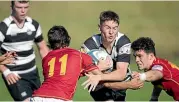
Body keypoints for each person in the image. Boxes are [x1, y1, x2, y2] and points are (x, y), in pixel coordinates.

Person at [27, 25, 103, 101]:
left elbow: (62, 75)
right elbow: (100, 76)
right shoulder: (79, 55)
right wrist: (99, 67)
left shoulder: (46, 58)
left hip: (38, 97)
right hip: (60, 98)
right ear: (67, 39)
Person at [0, 0, 49, 101]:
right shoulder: (3, 28)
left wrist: (50, 69)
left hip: (33, 73)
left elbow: (43, 48)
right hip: (14, 75)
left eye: (26, 7)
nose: (23, 11)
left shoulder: (34, 25)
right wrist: (5, 71)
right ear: (12, 7)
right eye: (19, 7)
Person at [80, 10, 133, 101]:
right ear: (99, 28)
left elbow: (121, 74)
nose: (111, 32)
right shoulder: (89, 45)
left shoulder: (123, 42)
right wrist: (97, 68)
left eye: (115, 28)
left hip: (119, 84)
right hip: (98, 86)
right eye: (107, 28)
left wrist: (98, 75)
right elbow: (78, 68)